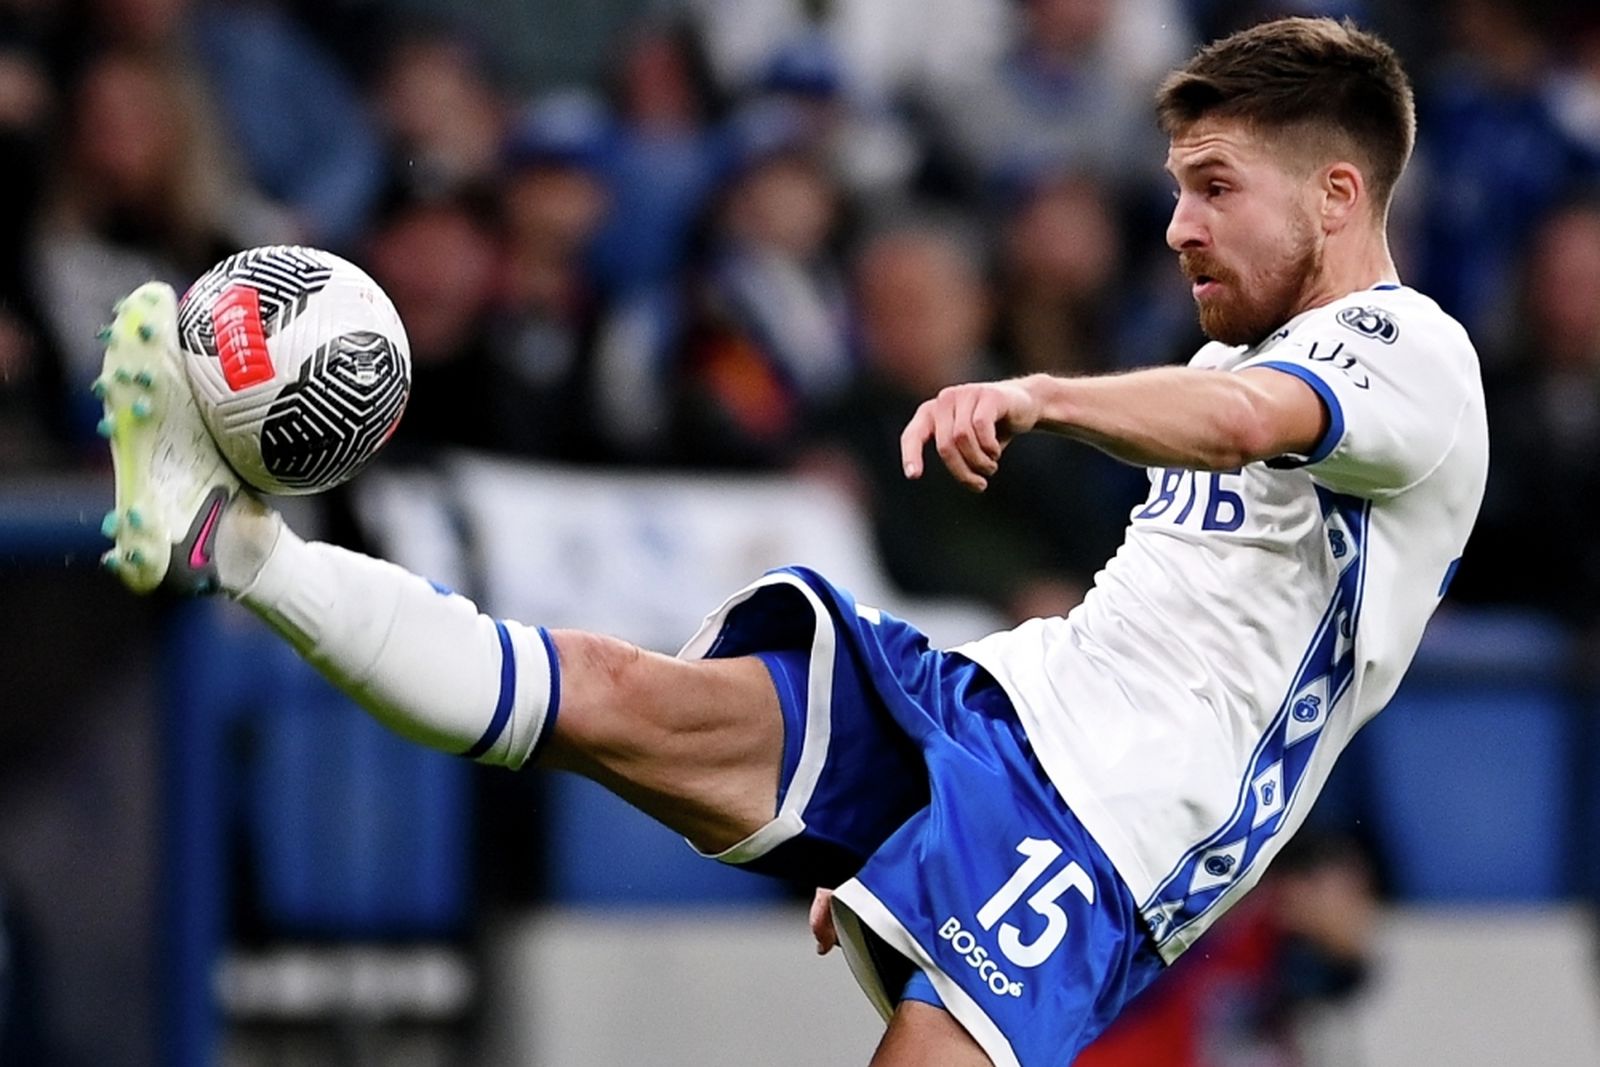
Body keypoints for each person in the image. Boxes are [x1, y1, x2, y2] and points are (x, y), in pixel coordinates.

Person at [93, 17, 1485, 1066]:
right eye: (1177, 187)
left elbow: (1242, 423)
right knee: (616, 694)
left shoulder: (1411, 356)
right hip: (1001, 711)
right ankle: (234, 548)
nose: (1176, 227)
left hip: (1114, 829)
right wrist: (922, 818)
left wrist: (1042, 394)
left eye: (1215, 188)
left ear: (1336, 196)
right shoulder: (1242, 343)